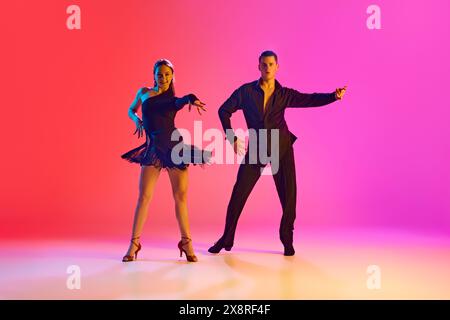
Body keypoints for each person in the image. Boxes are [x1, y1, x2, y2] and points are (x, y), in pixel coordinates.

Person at [208, 50, 347, 256]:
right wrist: (232, 137)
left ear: (277, 67)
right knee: (238, 193)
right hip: (256, 149)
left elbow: (308, 99)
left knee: (289, 196)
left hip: (281, 148)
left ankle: (287, 239)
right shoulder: (246, 92)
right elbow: (223, 110)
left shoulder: (284, 94)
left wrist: (333, 97)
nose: (267, 68)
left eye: (271, 64)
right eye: (264, 64)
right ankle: (227, 238)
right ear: (259, 67)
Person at [121, 58, 211, 262]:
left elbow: (185, 98)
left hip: (174, 148)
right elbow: (131, 109)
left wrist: (192, 99)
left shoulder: (173, 100)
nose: (163, 78)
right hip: (153, 149)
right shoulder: (144, 93)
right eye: (160, 75)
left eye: (167, 75)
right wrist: (137, 120)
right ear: (153, 75)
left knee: (180, 198)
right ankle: (134, 244)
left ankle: (186, 243)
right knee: (144, 197)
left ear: (172, 77)